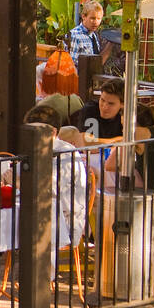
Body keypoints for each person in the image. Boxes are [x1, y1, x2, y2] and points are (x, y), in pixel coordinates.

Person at [24, 102, 89, 271]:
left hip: (65, 221)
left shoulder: (66, 154)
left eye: (34, 132)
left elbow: (50, 189)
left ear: (52, 132)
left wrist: (18, 181)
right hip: (38, 212)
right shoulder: (38, 148)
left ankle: (39, 276)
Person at [68, 0, 104, 65]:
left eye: (99, 19)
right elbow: (71, 64)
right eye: (92, 18)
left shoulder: (93, 35)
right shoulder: (75, 35)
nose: (95, 22)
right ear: (84, 16)